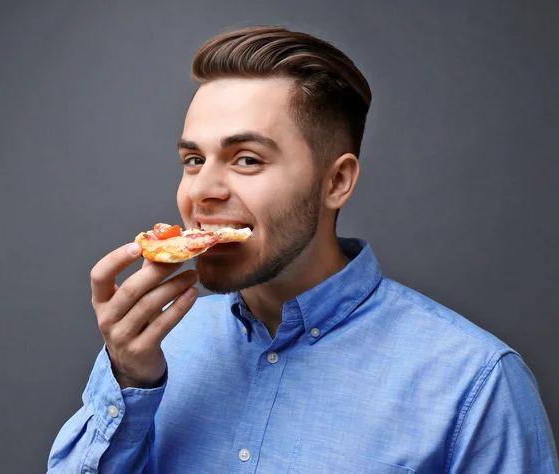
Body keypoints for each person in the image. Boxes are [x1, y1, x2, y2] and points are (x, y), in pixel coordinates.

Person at [47, 26, 558, 473]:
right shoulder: (153, 350)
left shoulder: (476, 383)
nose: (203, 190)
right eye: (193, 159)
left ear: (337, 181)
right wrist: (130, 381)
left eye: (246, 159)